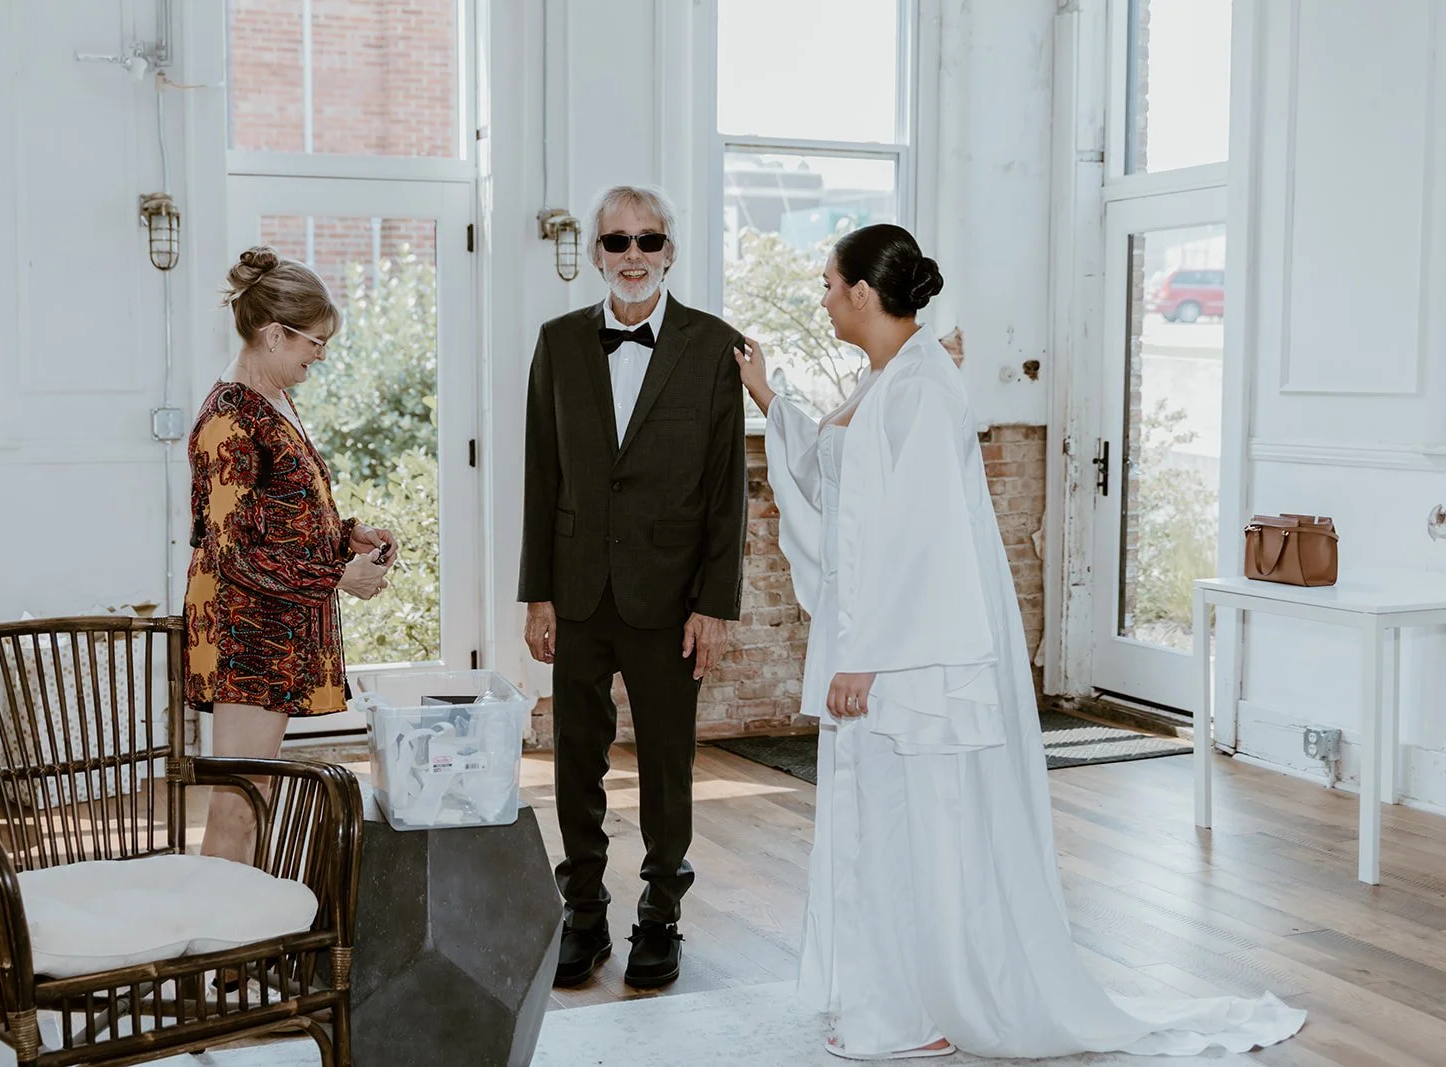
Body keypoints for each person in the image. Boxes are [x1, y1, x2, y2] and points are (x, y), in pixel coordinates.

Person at [734, 224, 1306, 1060]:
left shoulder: (925, 388)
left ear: (862, 292)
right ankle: (893, 997)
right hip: (889, 640)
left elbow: (925, 538)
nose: (820, 299)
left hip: (915, 654)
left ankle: (928, 1006)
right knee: (883, 820)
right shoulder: (896, 377)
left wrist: (866, 655)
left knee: (921, 822)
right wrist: (767, 395)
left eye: (826, 284)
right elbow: (836, 468)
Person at [520, 185, 748, 989]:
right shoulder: (556, 343)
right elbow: (541, 476)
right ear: (596, 255)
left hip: (670, 597)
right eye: (617, 242)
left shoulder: (714, 346)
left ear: (670, 251)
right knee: (575, 758)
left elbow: (728, 490)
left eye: (648, 241)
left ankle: (661, 916)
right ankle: (583, 912)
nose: (633, 256)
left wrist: (715, 603)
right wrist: (536, 592)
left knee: (666, 763)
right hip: (577, 595)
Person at [185, 245, 396, 865]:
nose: (320, 356)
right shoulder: (229, 418)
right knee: (239, 801)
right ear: (274, 334)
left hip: (274, 628)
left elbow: (280, 516)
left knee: (258, 795)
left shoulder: (272, 401)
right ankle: (223, 958)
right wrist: (338, 577)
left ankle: (237, 947)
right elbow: (233, 552)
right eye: (314, 343)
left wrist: (348, 533)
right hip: (246, 638)